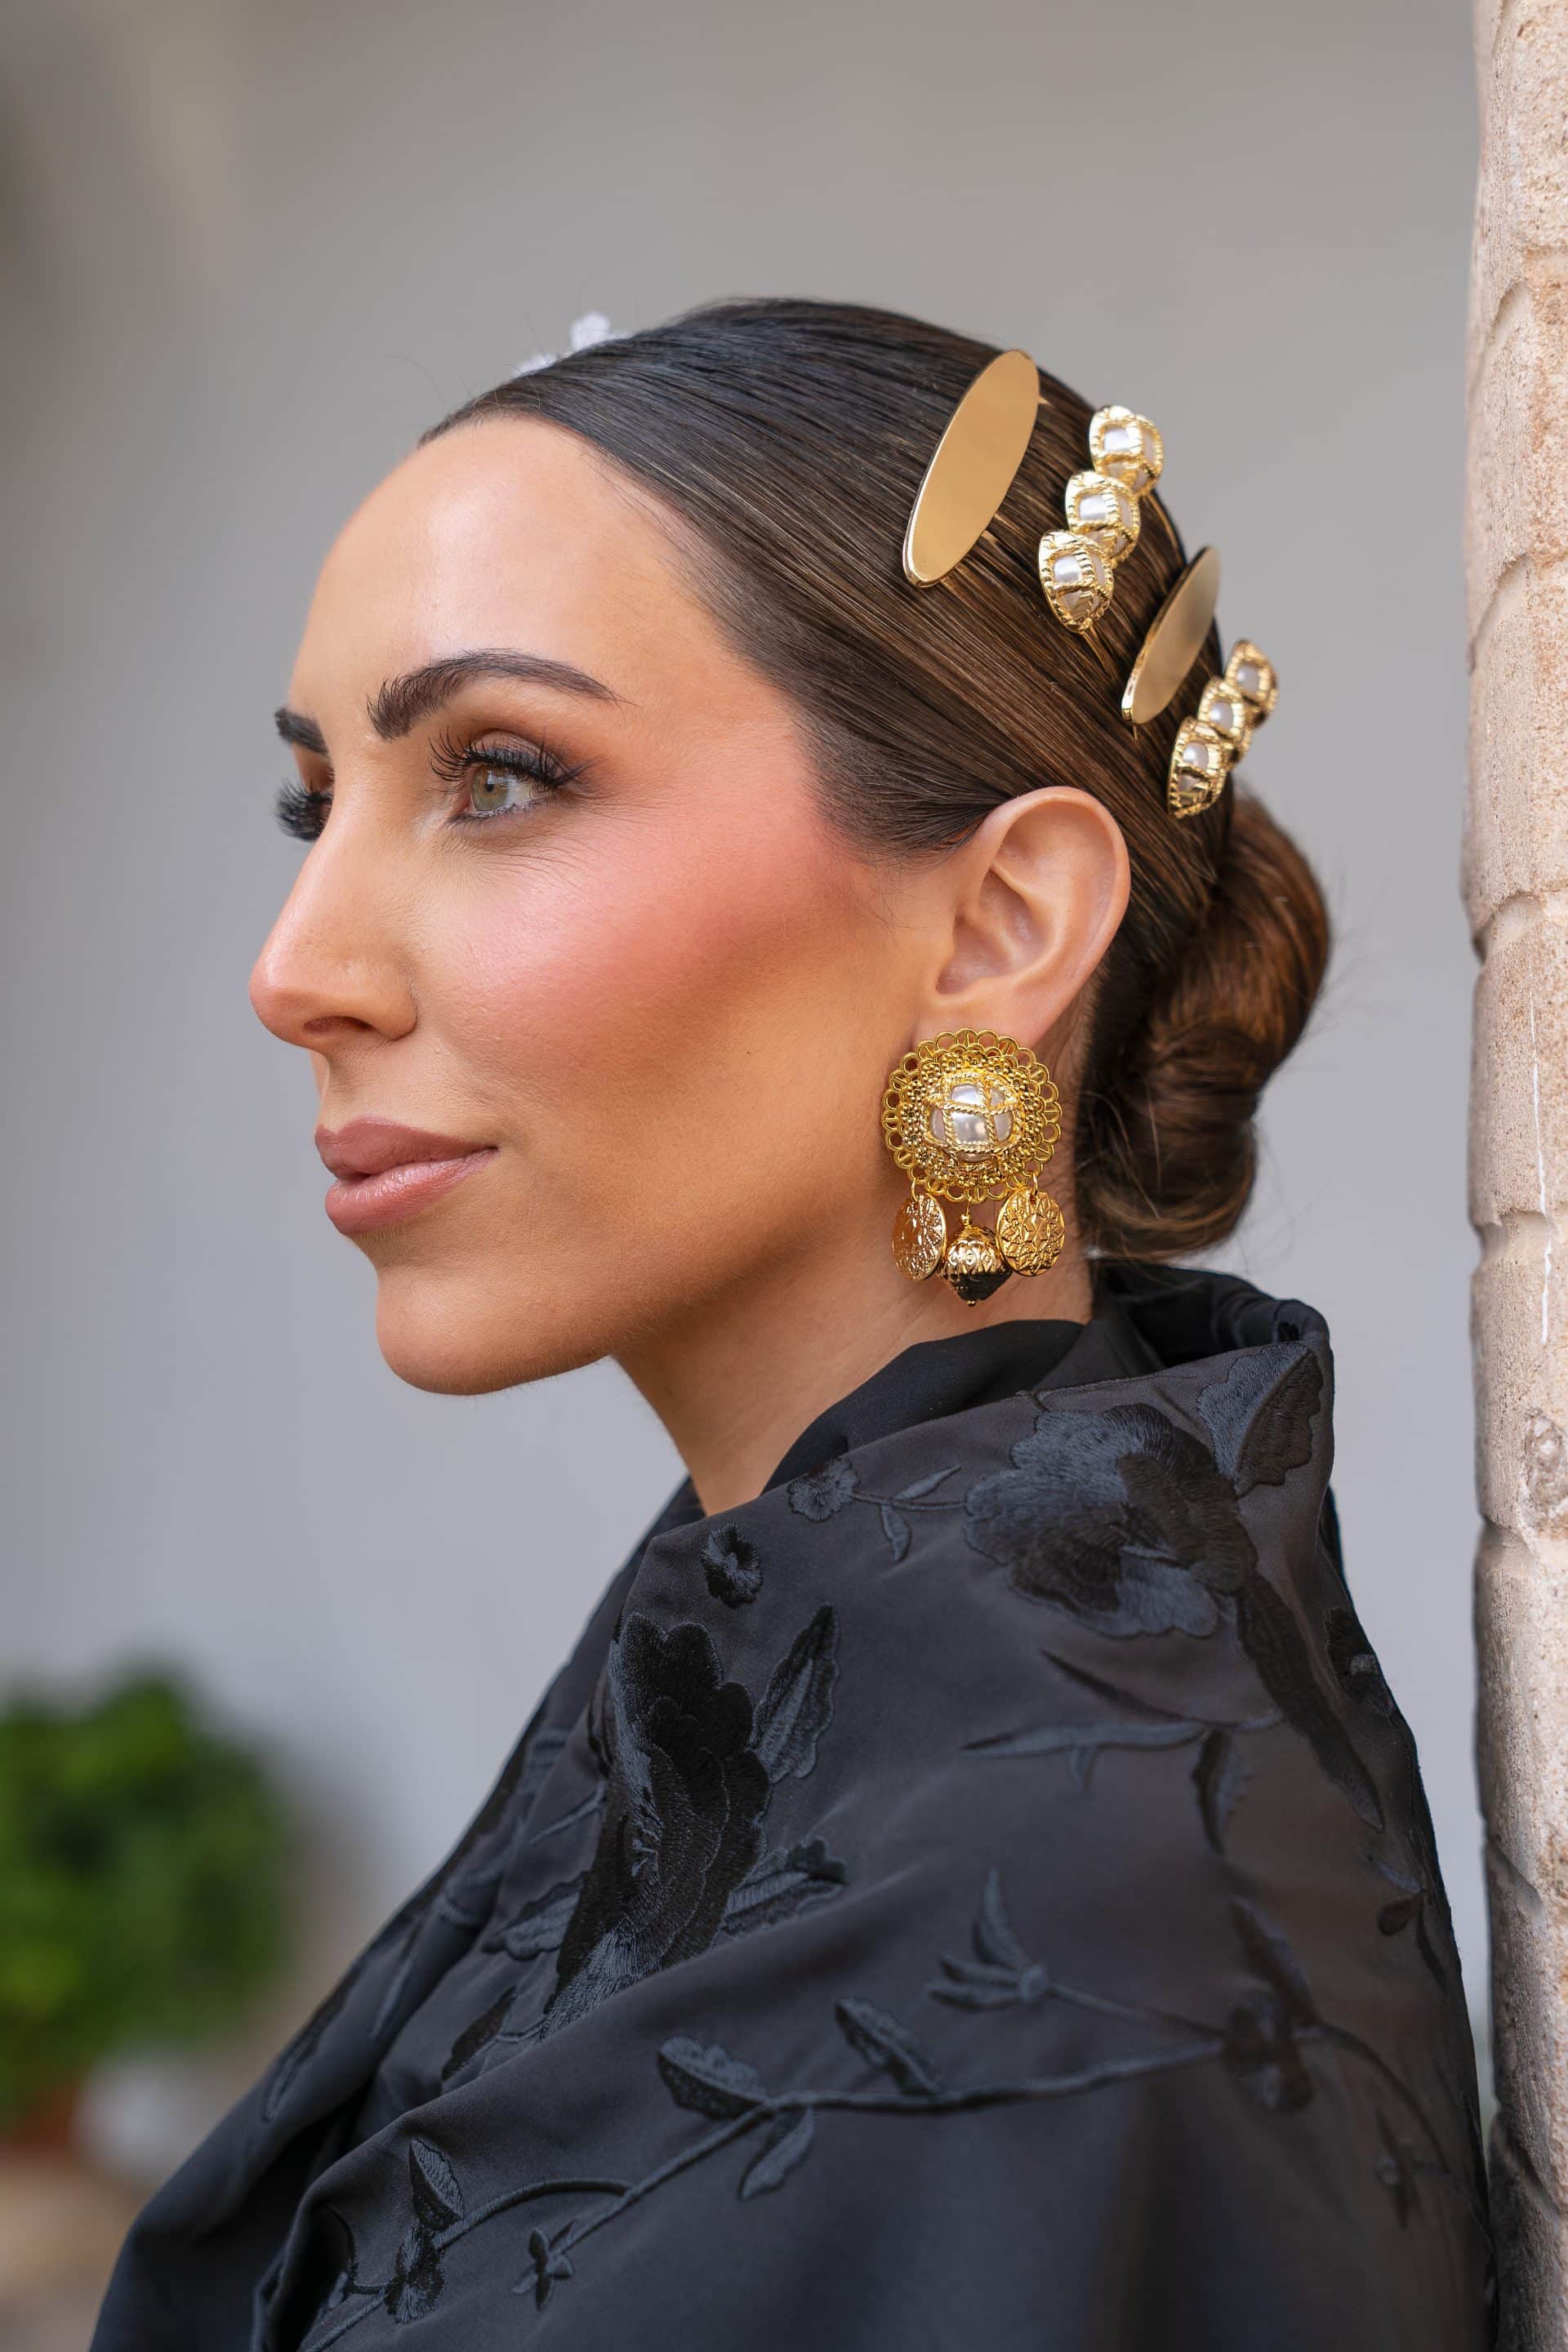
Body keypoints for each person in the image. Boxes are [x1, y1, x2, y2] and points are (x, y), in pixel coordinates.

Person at [91, 297, 1494, 2350]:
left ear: (998, 925)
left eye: (500, 777)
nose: (296, 970)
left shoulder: (1043, 1953)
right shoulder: (879, 1638)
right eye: (321, 804)